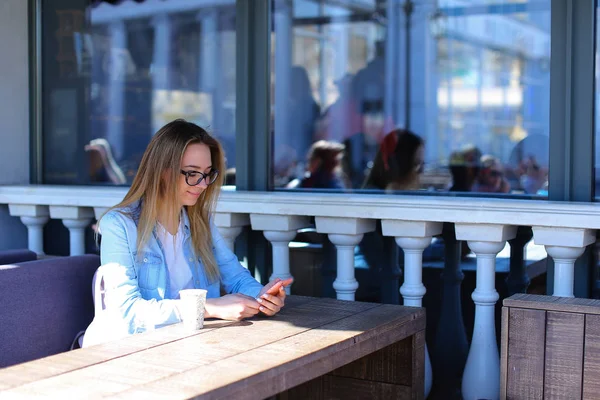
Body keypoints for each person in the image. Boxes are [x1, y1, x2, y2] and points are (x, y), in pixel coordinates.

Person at [82, 119, 290, 347]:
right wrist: (209, 307)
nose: (202, 184)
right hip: (126, 353)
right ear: (162, 171)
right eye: (192, 173)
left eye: (208, 174)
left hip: (186, 344)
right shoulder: (119, 225)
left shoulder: (199, 222)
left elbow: (236, 278)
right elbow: (127, 312)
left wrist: (262, 297)